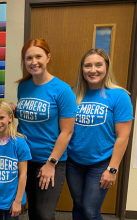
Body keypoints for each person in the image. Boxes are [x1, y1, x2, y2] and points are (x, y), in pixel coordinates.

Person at [11, 38, 77, 220]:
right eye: (28, 58)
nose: (34, 62)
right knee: (33, 210)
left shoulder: (62, 90)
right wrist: (14, 112)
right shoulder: (23, 87)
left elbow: (67, 131)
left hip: (49, 160)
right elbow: (32, 115)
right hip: (24, 158)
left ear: (48, 57)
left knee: (44, 214)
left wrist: (51, 164)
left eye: (38, 56)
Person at [67, 48, 133, 220]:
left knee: (90, 210)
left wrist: (112, 169)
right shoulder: (73, 94)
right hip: (73, 161)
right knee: (78, 205)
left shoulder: (119, 96)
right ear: (82, 69)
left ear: (107, 67)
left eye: (98, 65)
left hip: (101, 163)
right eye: (87, 65)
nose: (93, 70)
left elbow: (123, 136)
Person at [0, 101, 32, 220]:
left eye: (1, 118)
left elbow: (23, 174)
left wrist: (18, 201)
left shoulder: (19, 143)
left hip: (12, 200)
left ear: (10, 118)